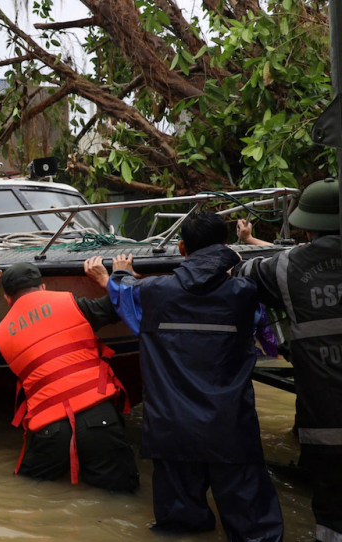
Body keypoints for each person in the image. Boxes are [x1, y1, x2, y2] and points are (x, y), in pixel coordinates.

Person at [84, 211, 283, 541]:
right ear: (224, 245)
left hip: (170, 430)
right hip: (231, 429)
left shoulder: (153, 292)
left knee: (178, 530)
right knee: (255, 531)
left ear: (180, 248)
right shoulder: (246, 295)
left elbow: (127, 298)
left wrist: (114, 276)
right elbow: (272, 346)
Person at [235, 178, 342, 542]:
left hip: (326, 422)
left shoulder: (288, 267)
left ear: (307, 226)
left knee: (331, 510)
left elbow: (243, 274)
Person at [0, 262, 139, 490]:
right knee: (120, 495)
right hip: (99, 417)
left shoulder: (1, 334)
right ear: (43, 287)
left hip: (49, 429)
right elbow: (119, 303)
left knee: (29, 493)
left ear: (9, 300)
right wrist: (117, 276)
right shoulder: (73, 304)